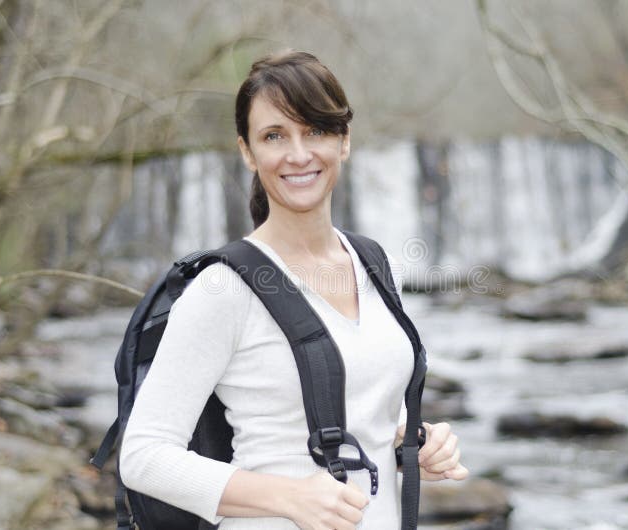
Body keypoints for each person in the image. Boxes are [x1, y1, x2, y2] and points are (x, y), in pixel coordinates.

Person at [119, 50, 468, 530]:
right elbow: (142, 455)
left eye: (316, 131)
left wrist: (410, 445)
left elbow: (360, 418)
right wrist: (287, 497)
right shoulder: (223, 288)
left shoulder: (374, 263)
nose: (299, 154)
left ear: (343, 141)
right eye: (274, 136)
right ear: (247, 151)